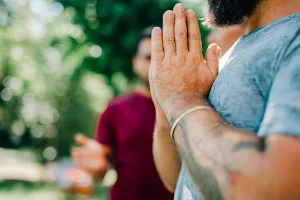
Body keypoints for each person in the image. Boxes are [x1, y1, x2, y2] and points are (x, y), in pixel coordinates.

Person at [150, 1, 300, 200]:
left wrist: (182, 100)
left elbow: (273, 189)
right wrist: (166, 106)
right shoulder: (236, 50)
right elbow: (180, 178)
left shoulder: (293, 39)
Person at [72, 27, 173, 200]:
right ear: (135, 62)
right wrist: (97, 168)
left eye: (162, 56)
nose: (156, 64)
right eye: (149, 57)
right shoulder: (116, 109)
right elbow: (101, 169)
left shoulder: (187, 107)